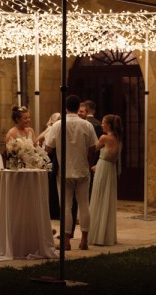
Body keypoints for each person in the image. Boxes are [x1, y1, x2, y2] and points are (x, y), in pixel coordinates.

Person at [45, 95, 98, 251]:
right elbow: (94, 147)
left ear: (66, 107)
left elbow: (48, 148)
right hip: (82, 169)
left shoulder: (58, 125)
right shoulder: (87, 125)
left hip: (64, 170)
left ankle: (66, 241)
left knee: (66, 206)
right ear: (78, 108)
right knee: (84, 205)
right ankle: (84, 240)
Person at [88, 114, 122, 246]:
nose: (101, 125)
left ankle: (97, 235)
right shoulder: (118, 138)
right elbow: (111, 156)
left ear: (108, 125)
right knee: (107, 199)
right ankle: (106, 234)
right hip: (110, 169)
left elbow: (93, 148)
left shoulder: (104, 138)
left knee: (99, 197)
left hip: (103, 169)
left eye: (103, 123)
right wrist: (98, 164)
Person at [37, 112, 62, 219]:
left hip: (51, 157)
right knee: (51, 186)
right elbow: (42, 143)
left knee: (53, 186)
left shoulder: (54, 129)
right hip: (49, 157)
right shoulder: (51, 129)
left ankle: (54, 209)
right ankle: (53, 210)